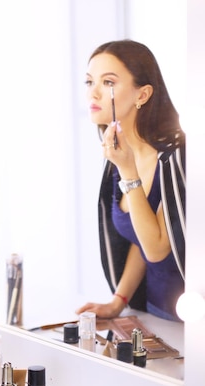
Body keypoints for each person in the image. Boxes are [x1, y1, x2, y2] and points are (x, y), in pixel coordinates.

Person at [76, 40, 186, 322]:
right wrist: (117, 302)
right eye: (89, 81)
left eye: (108, 82)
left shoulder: (177, 158)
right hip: (151, 313)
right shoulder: (120, 155)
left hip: (191, 322)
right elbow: (140, 236)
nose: (94, 92)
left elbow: (157, 248)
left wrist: (128, 172)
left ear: (143, 94)